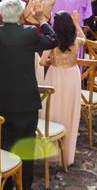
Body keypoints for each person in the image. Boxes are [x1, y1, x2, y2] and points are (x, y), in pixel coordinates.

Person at [0, 0, 58, 189]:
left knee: (5, 144)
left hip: (3, 98)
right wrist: (42, 19)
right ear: (20, 14)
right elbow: (53, 40)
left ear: (2, 14)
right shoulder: (28, 33)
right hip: (26, 99)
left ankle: (7, 183)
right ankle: (24, 184)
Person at [39, 11, 85, 167]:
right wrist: (78, 24)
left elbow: (41, 62)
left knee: (52, 110)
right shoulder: (76, 41)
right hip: (72, 76)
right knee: (70, 110)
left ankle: (52, 150)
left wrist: (50, 61)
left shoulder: (52, 42)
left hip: (55, 75)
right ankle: (67, 152)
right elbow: (84, 39)